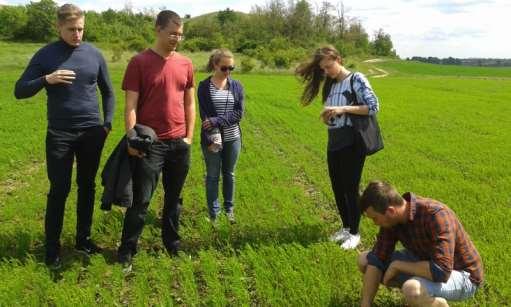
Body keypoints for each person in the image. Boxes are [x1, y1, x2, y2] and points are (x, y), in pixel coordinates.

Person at [14, 3, 115, 268]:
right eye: (71, 29)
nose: (77, 34)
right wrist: (47, 79)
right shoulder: (46, 55)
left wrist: (107, 123)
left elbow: (109, 92)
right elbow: (20, 90)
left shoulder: (94, 54)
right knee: (59, 190)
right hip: (59, 133)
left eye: (81, 29)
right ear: (58, 27)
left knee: (87, 186)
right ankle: (52, 249)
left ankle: (83, 239)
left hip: (92, 132)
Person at [118, 10, 195, 270]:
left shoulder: (185, 63)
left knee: (174, 199)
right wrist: (131, 137)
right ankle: (127, 250)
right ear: (158, 29)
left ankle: (172, 244)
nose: (177, 38)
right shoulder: (139, 62)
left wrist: (189, 137)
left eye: (180, 34)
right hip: (151, 145)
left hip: (179, 144)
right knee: (141, 200)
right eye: (173, 33)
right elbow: (130, 105)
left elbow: (189, 102)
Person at [295, 45, 379, 249]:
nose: (326, 72)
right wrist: (328, 118)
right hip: (335, 140)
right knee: (337, 186)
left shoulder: (356, 79)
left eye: (329, 66)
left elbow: (373, 106)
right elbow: (335, 113)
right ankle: (345, 227)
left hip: (353, 141)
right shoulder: (331, 85)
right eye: (323, 69)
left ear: (339, 60)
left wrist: (342, 108)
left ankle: (355, 233)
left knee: (350, 187)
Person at [357, 181, 483, 307]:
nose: (375, 223)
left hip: (463, 275)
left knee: (412, 289)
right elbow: (378, 258)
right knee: (365, 260)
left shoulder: (436, 215)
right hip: (426, 260)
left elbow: (442, 271)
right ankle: (422, 298)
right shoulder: (391, 221)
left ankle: (435, 303)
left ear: (390, 211)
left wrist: (398, 266)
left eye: (375, 218)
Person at [197, 49, 244, 223]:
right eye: (224, 68)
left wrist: (217, 120)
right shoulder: (203, 87)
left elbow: (239, 114)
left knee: (229, 174)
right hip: (212, 138)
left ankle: (229, 210)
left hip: (233, 138)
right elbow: (205, 115)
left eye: (231, 68)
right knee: (212, 175)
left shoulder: (237, 86)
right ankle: (214, 213)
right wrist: (214, 123)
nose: (228, 72)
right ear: (215, 65)